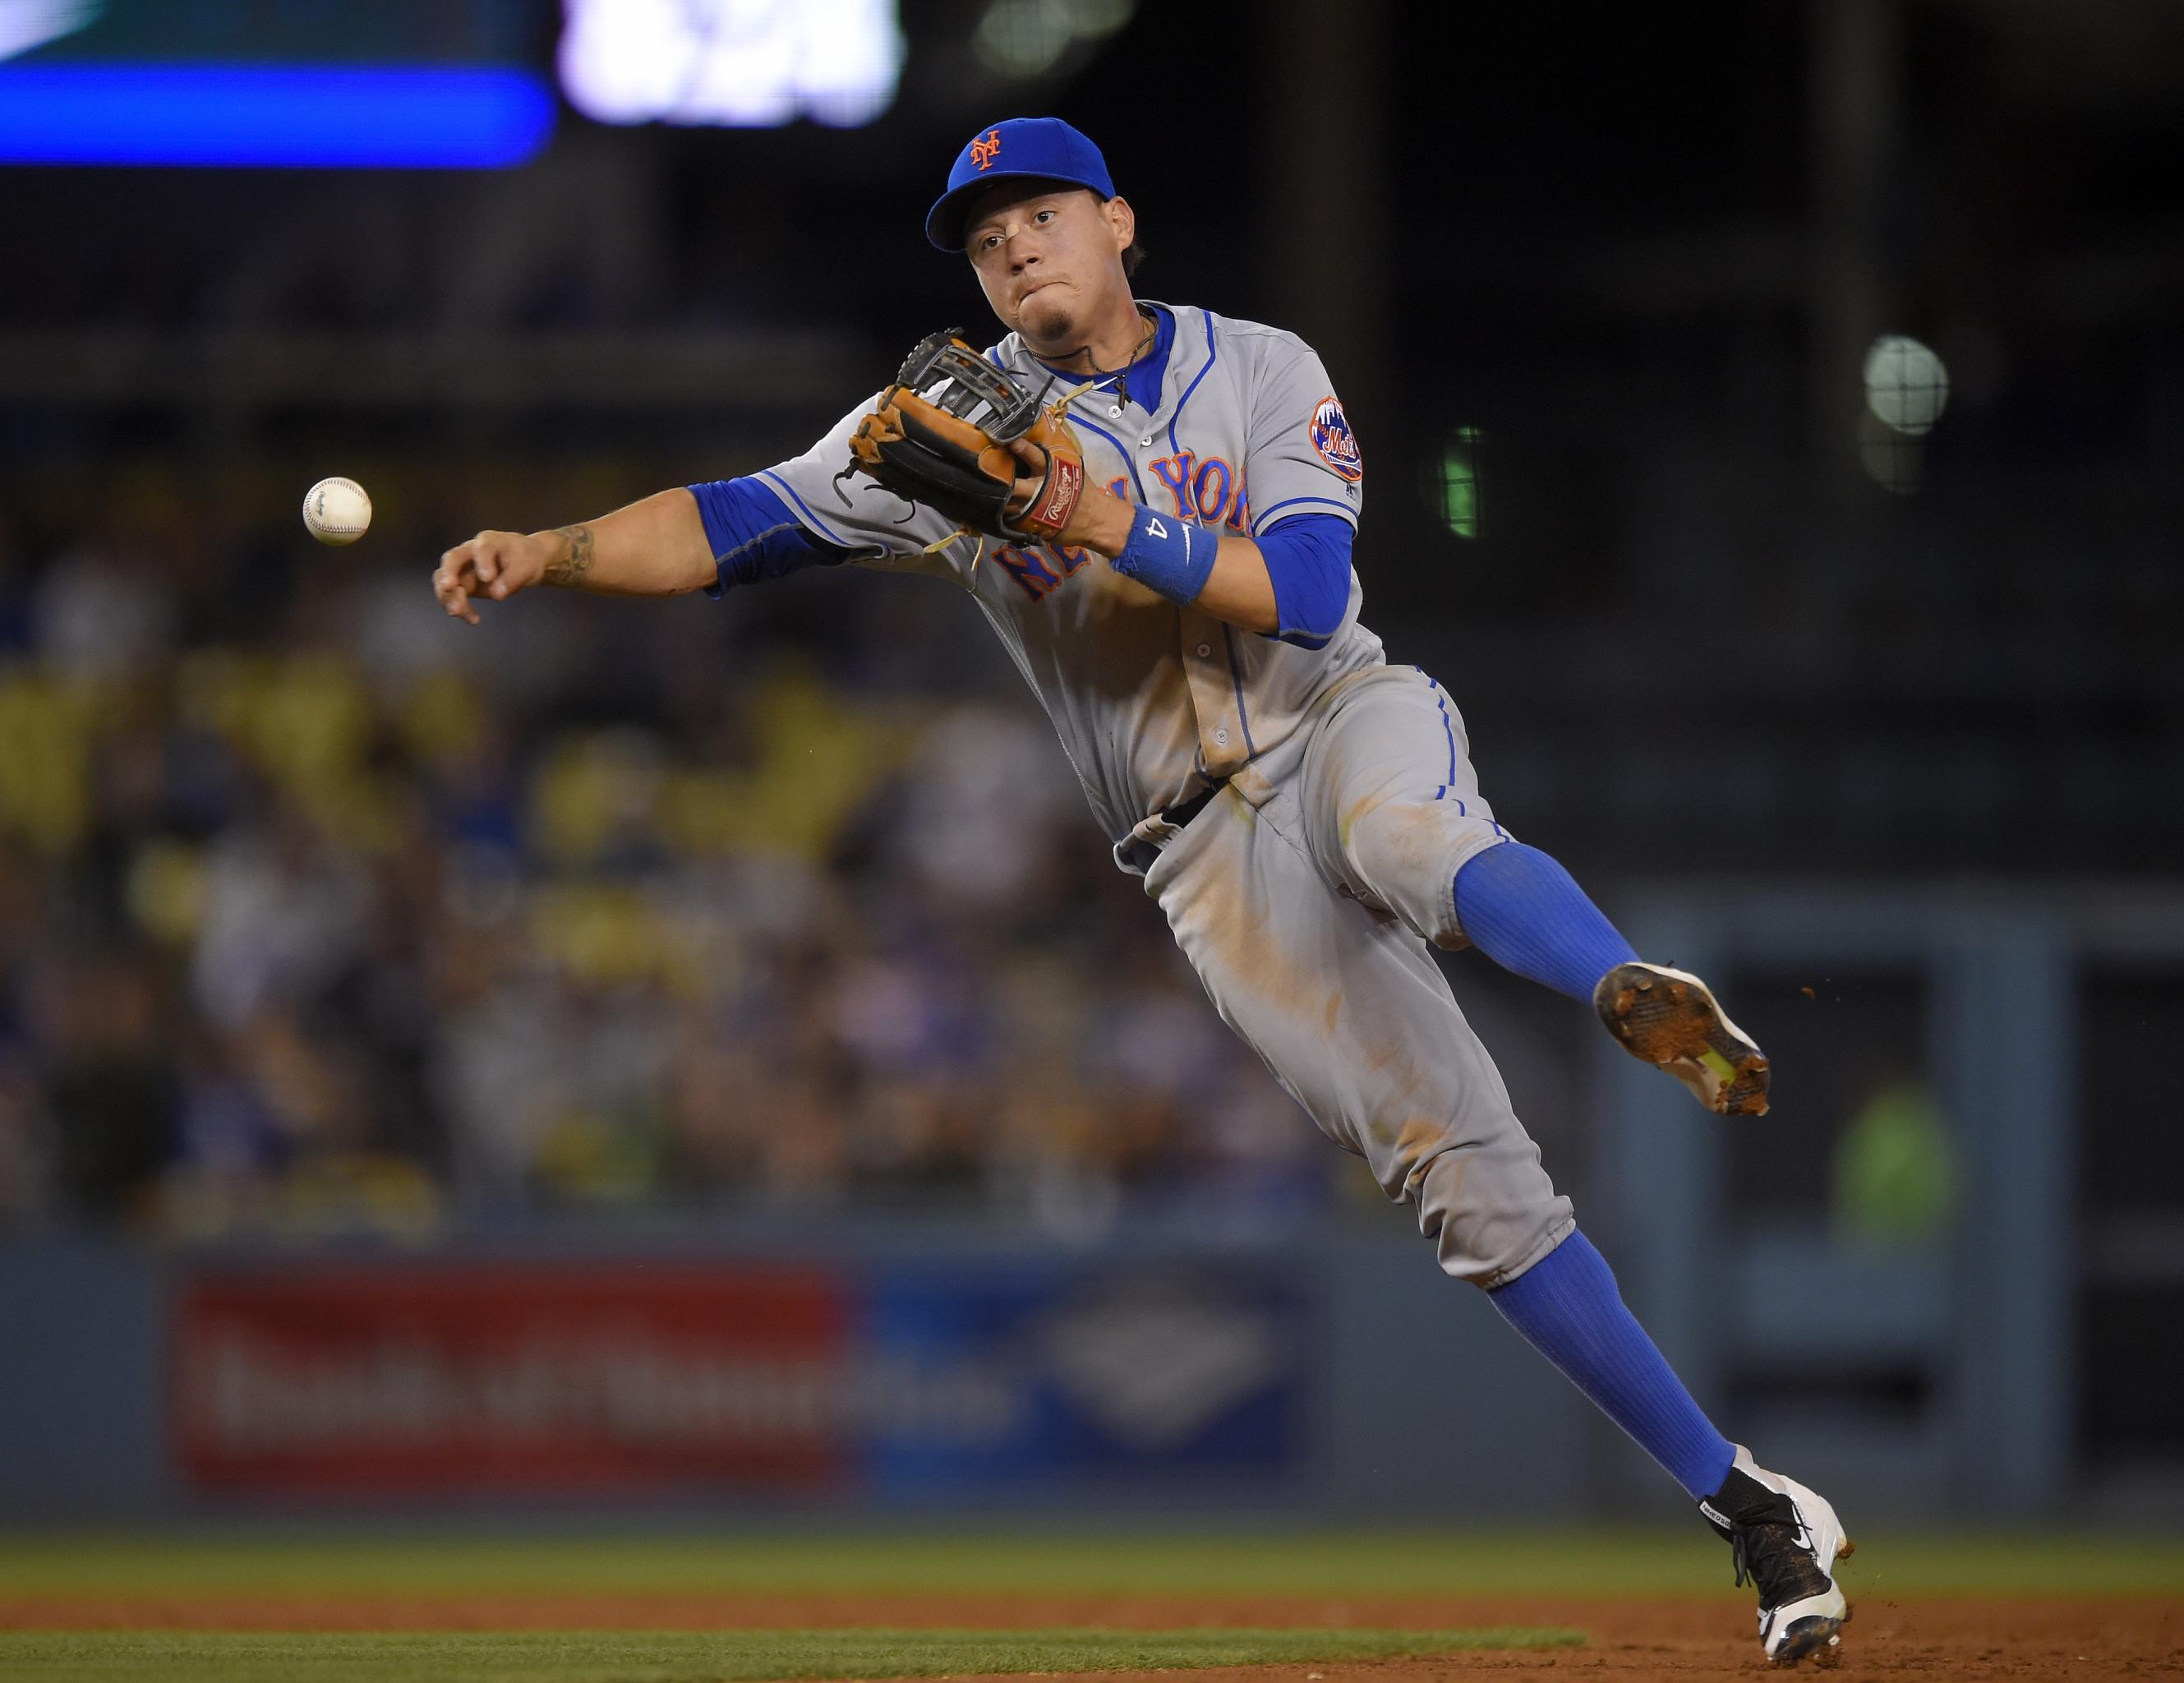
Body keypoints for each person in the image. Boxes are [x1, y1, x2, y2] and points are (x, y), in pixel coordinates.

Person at [434, 117, 1852, 1665]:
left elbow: (1306, 597)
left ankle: (1617, 985)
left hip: (1329, 716)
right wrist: (552, 550)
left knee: (1411, 840)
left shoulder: (1260, 367)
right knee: (1467, 1189)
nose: (1012, 250)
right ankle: (1755, 1506)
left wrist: (1093, 515)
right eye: (984, 241)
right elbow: (733, 520)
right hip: (1199, 850)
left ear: (1118, 221)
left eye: (1038, 216)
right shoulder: (941, 430)